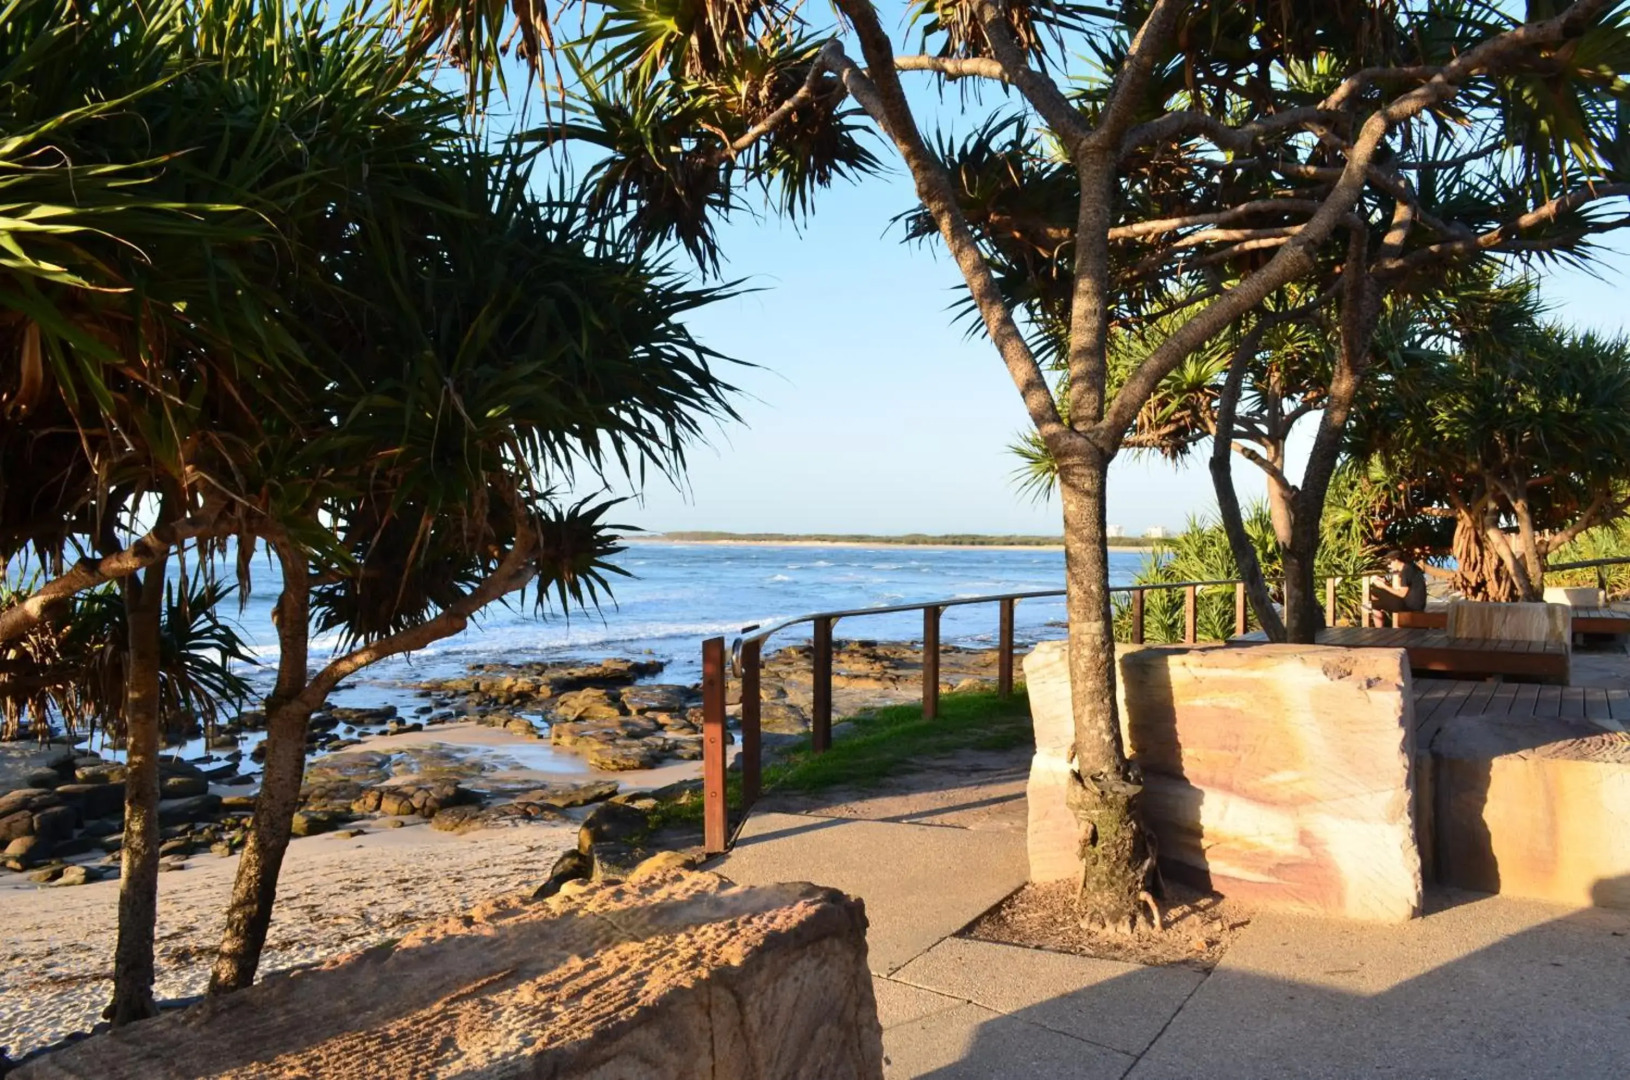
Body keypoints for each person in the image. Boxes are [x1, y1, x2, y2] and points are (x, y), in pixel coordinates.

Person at [1369, 549, 1428, 615]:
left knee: (1375, 602)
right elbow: (1397, 588)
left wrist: (1383, 586)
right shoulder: (1408, 568)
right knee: (1376, 593)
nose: (1389, 566)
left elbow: (1402, 594)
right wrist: (1385, 583)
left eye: (1390, 563)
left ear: (1396, 560)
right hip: (1413, 604)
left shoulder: (1406, 571)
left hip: (1410, 606)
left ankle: (1377, 625)